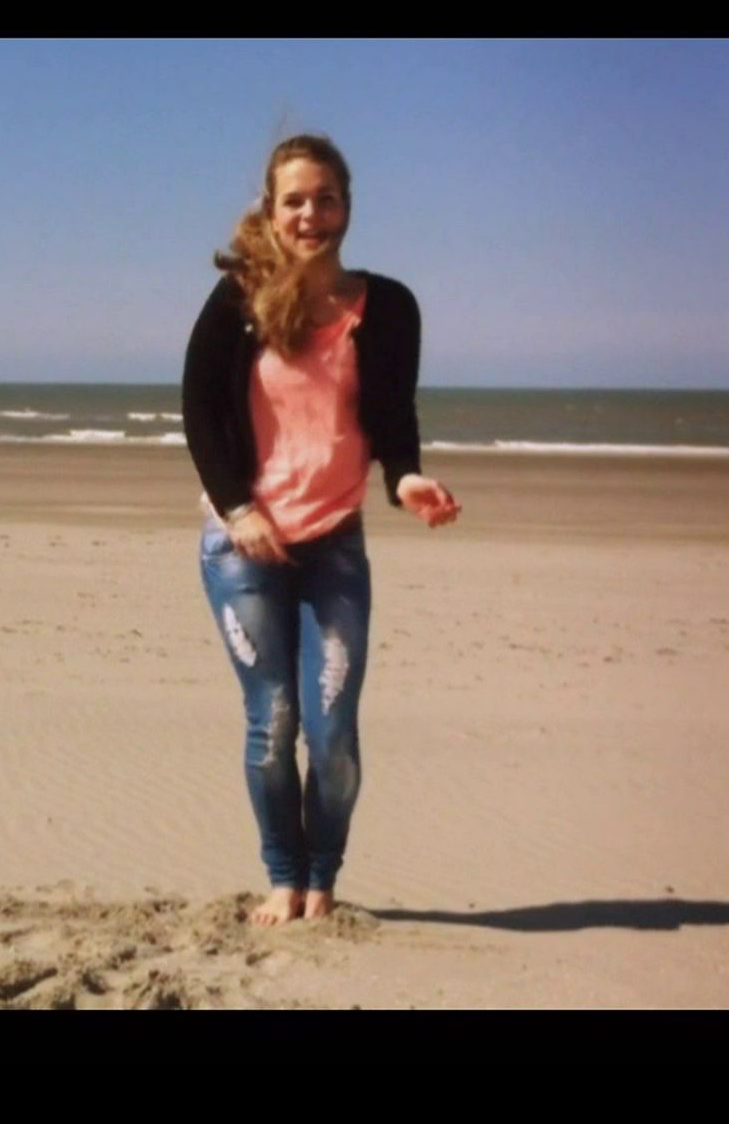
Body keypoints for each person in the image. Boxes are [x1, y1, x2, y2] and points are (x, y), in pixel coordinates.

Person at [182, 134, 459, 927]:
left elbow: (392, 417)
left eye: (326, 199)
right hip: (244, 547)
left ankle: (322, 880)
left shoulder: (389, 307)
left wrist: (406, 481)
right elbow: (198, 408)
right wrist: (239, 510)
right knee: (274, 723)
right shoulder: (240, 299)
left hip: (334, 543)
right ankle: (282, 877)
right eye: (295, 201)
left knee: (332, 730)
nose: (311, 215)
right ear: (272, 211)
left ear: (348, 206)